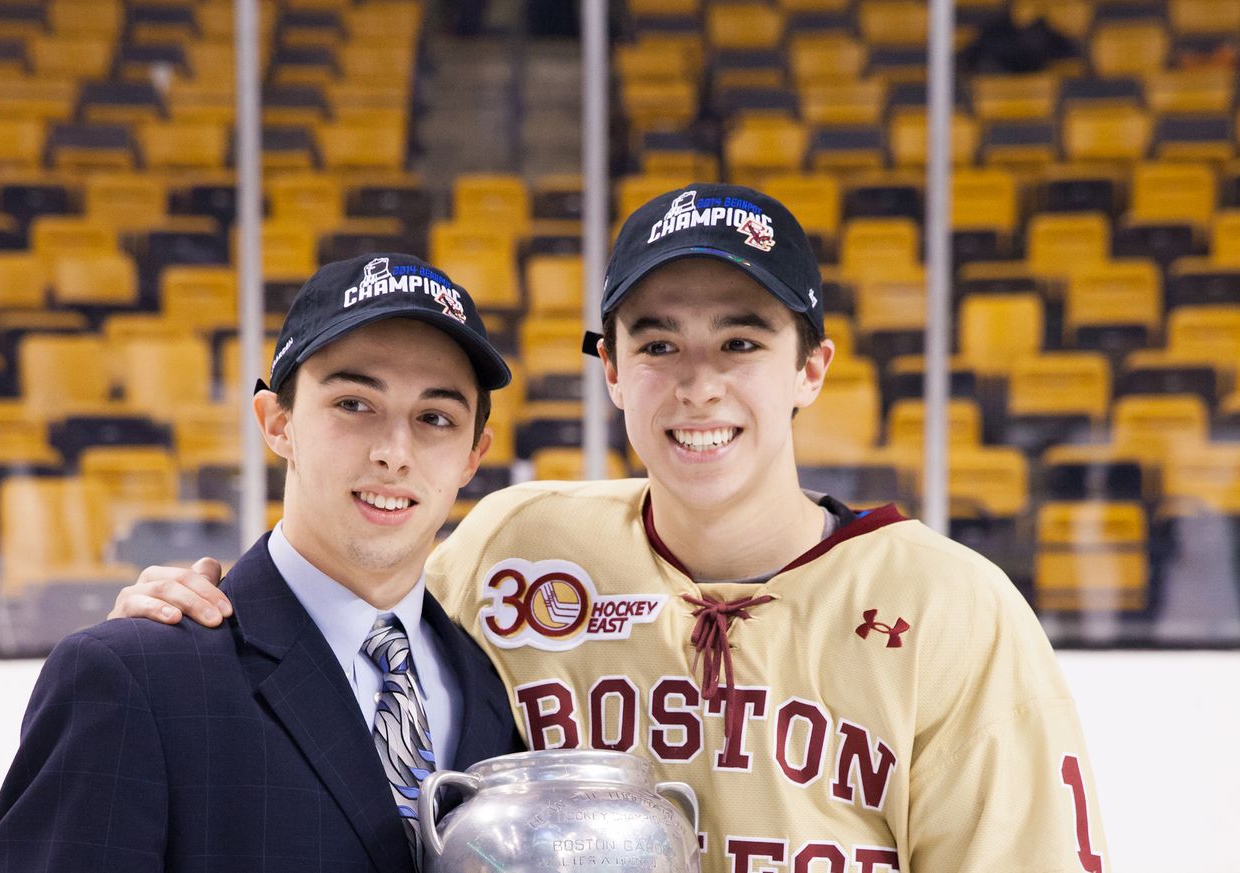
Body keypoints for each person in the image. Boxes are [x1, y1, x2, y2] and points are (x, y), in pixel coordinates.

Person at [111, 185, 1109, 871]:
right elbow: (344, 626)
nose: (697, 382)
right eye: (658, 341)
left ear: (810, 368)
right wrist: (185, 616)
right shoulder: (515, 547)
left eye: (741, 340)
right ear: (612, 370)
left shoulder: (948, 607)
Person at [0, 253, 523, 873]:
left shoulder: (494, 687)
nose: (394, 453)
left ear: (473, 455)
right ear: (278, 423)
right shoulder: (133, 676)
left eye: (435, 418)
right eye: (354, 404)